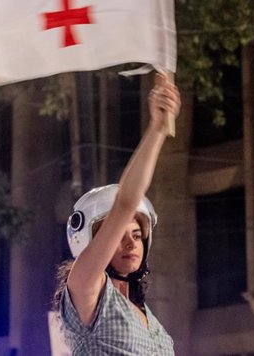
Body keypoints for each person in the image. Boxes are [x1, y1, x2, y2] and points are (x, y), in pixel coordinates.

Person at [54, 75, 180, 355]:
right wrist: (157, 130)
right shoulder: (85, 290)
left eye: (136, 235)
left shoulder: (153, 323)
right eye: (118, 235)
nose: (131, 244)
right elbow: (126, 202)